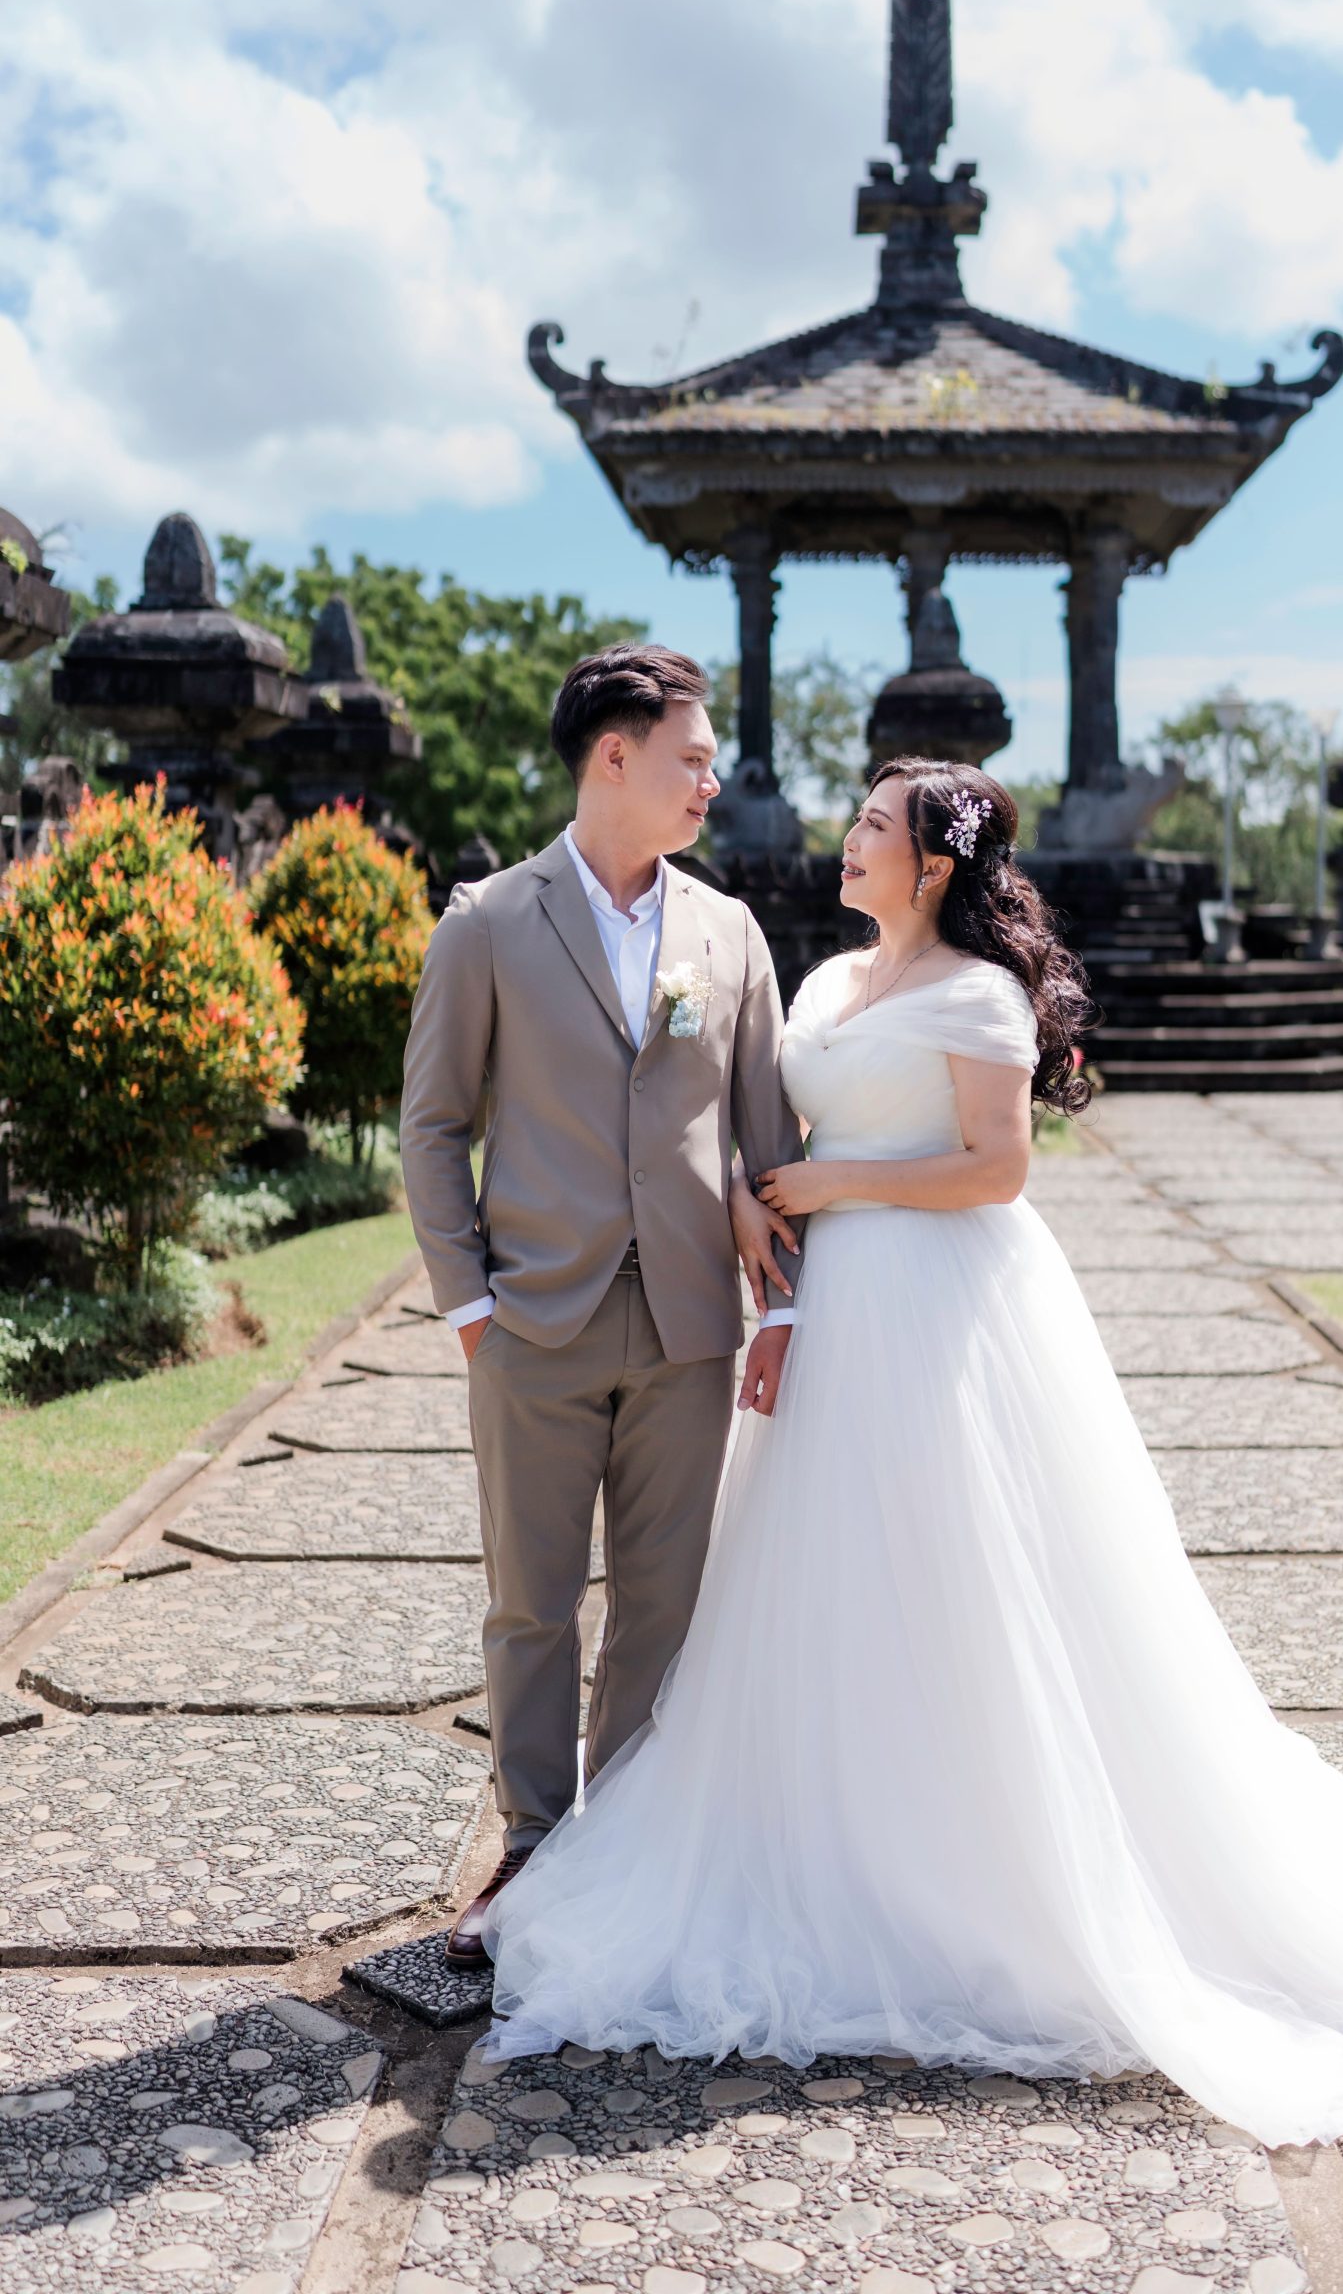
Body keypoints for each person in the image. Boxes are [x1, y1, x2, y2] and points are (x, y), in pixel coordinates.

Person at [479, 754, 1343, 2148]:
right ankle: (835, 1839)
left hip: (942, 1305)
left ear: (933, 863)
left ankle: (982, 1877)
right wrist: (773, 1247)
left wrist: (833, 1181)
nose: (848, 838)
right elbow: (771, 1131)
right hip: (835, 1307)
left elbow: (996, 1167)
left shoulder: (979, 994)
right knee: (822, 1582)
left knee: (964, 1578)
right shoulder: (829, 981)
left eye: (873, 825)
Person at [399, 644, 805, 1970]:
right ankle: (530, 1844)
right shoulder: (488, 923)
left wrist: (781, 1313)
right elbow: (432, 1126)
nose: (712, 781)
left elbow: (765, 1140)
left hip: (691, 1326)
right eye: (692, 758)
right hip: (533, 1322)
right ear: (613, 757)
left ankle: (624, 1854)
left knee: (661, 1606)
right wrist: (469, 1308)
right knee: (531, 1604)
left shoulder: (729, 933)